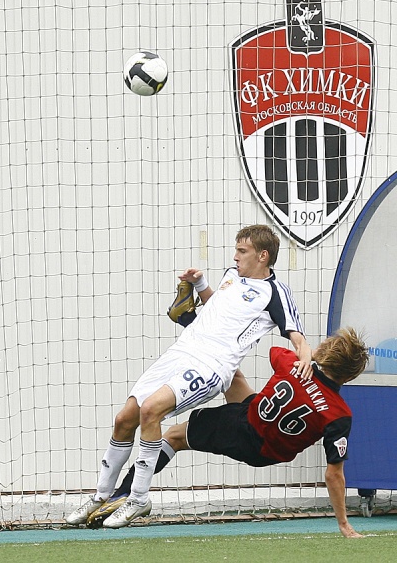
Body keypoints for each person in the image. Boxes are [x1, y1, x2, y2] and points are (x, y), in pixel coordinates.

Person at [66, 224, 311, 527]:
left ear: (263, 256)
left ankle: (138, 499)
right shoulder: (231, 275)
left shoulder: (275, 292)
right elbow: (218, 308)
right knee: (124, 418)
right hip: (181, 352)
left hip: (211, 366)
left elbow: (298, 338)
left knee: (151, 410)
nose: (235, 256)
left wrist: (305, 360)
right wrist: (200, 284)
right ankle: (100, 496)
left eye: (242, 251)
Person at [90, 327, 368, 538]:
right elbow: (334, 474)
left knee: (173, 436)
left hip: (245, 432)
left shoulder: (291, 364)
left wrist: (307, 357)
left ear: (324, 352)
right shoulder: (339, 414)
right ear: (350, 376)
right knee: (230, 373)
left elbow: (274, 351)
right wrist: (343, 524)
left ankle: (123, 494)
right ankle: (194, 323)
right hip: (265, 440)